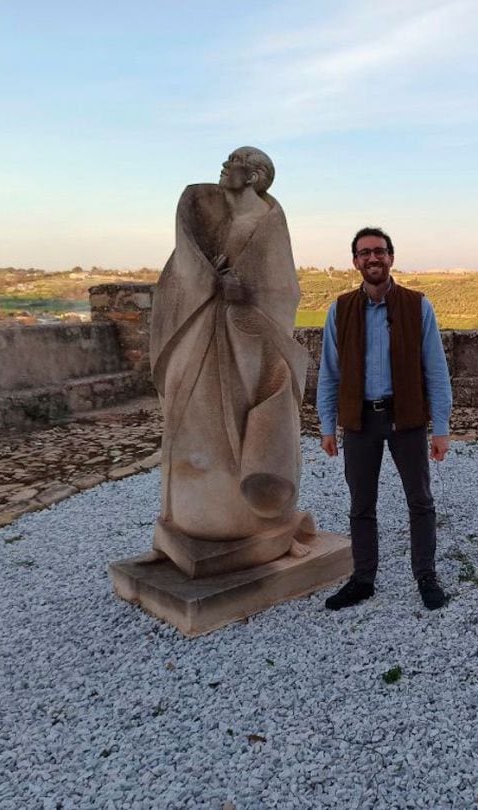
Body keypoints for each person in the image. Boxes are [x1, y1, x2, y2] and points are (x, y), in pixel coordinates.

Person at [149, 146, 315, 577]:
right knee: (192, 424)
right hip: (207, 333)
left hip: (246, 343)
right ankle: (190, 518)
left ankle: (248, 520)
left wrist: (244, 293)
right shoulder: (213, 213)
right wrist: (209, 282)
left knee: (240, 428)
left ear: (255, 175)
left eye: (234, 163)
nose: (225, 168)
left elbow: (282, 290)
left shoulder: (266, 221)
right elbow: (184, 272)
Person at [317, 227, 453, 610]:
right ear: (355, 262)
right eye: (364, 253)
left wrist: (440, 427)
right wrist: (327, 425)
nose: (372, 259)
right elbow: (330, 372)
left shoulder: (417, 306)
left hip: (405, 417)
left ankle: (425, 574)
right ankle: (363, 579)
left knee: (420, 501)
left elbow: (436, 370)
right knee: (361, 505)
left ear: (391, 257)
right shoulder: (339, 310)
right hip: (360, 421)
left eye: (379, 251)